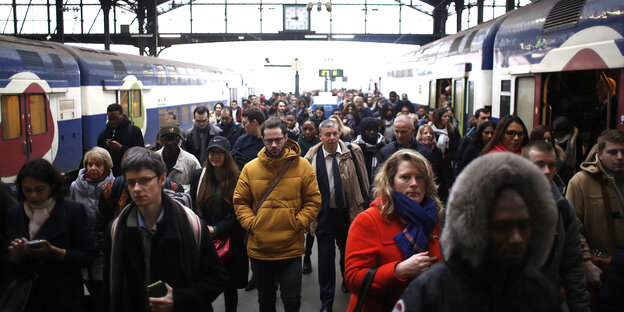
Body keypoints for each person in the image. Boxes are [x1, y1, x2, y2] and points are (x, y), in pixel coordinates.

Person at [395, 153, 561, 311]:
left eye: (523, 226)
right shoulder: (432, 290)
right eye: (501, 227)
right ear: (476, 228)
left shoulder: (541, 292)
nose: (516, 238)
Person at [103, 147, 227, 312]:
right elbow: (108, 288)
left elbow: (217, 278)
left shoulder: (191, 225)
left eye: (144, 181)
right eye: (131, 182)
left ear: (162, 179)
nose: (137, 189)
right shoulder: (116, 230)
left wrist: (179, 298)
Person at [233, 117, 322, 312]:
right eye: (268, 140)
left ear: (286, 137)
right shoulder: (250, 168)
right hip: (260, 248)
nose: (274, 145)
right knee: (266, 300)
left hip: (290, 247)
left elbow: (313, 200)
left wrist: (298, 223)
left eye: (278, 140)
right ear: (262, 140)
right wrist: (252, 224)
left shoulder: (302, 166)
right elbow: (240, 201)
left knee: (292, 299)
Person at [345, 149, 443, 312]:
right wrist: (399, 270)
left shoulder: (432, 218)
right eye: (405, 177)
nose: (414, 183)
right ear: (391, 182)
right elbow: (353, 279)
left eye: (420, 177)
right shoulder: (368, 220)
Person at [6, 158, 96, 311]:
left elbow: (89, 255)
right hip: (27, 298)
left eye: (39, 189)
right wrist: (15, 256)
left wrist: (55, 252)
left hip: (64, 297)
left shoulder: (72, 211)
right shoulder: (14, 213)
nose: (33, 195)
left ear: (52, 186)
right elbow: (5, 259)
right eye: (27, 190)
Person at [304, 119, 370, 311]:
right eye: (327, 134)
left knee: (347, 253)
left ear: (339, 133)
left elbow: (364, 182)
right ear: (320, 136)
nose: (332, 138)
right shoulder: (311, 158)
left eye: (335, 133)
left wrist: (366, 209)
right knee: (325, 258)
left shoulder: (353, 152)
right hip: (324, 215)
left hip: (348, 213)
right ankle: (327, 302)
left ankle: (347, 280)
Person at [522, 141, 590, 311]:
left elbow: (573, 263)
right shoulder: (504, 204)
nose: (547, 171)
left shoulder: (563, 209)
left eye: (551, 165)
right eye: (539, 164)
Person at [190, 136, 247, 312]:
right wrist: (205, 229)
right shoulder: (199, 176)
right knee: (206, 284)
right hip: (206, 240)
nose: (215, 156)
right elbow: (193, 206)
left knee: (229, 286)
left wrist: (216, 229)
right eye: (211, 152)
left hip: (230, 241)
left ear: (227, 154)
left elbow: (240, 212)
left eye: (219, 153)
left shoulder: (237, 177)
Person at [566, 130, 624, 296]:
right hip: (603, 268)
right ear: (599, 153)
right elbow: (573, 227)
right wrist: (586, 261)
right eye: (613, 152)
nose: (620, 157)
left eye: (623, 152)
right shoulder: (581, 182)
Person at [69, 147, 115, 309]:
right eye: (89, 165)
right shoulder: (75, 186)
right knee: (87, 279)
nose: (93, 168)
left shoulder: (113, 186)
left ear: (106, 167)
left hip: (105, 240)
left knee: (103, 282)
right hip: (84, 240)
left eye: (98, 165)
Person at [97, 103, 144, 177]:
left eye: (116, 119)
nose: (113, 122)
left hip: (130, 174)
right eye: (110, 119)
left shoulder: (134, 131)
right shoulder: (103, 135)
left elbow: (141, 154)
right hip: (109, 176)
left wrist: (121, 148)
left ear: (122, 116)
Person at [156, 120, 201, 191]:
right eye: (167, 138)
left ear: (179, 139)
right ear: (161, 140)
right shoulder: (152, 160)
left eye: (173, 138)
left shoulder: (191, 161)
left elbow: (200, 187)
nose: (170, 143)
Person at [430, 107, 460, 200]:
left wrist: (445, 156)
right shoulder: (430, 131)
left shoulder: (450, 133)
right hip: (432, 165)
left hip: (445, 166)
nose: (447, 118)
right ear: (439, 118)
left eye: (448, 116)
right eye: (445, 116)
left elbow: (455, 150)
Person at [352, 117, 385, 188]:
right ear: (363, 130)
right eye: (369, 130)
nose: (372, 132)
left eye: (374, 130)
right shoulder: (355, 147)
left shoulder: (383, 146)